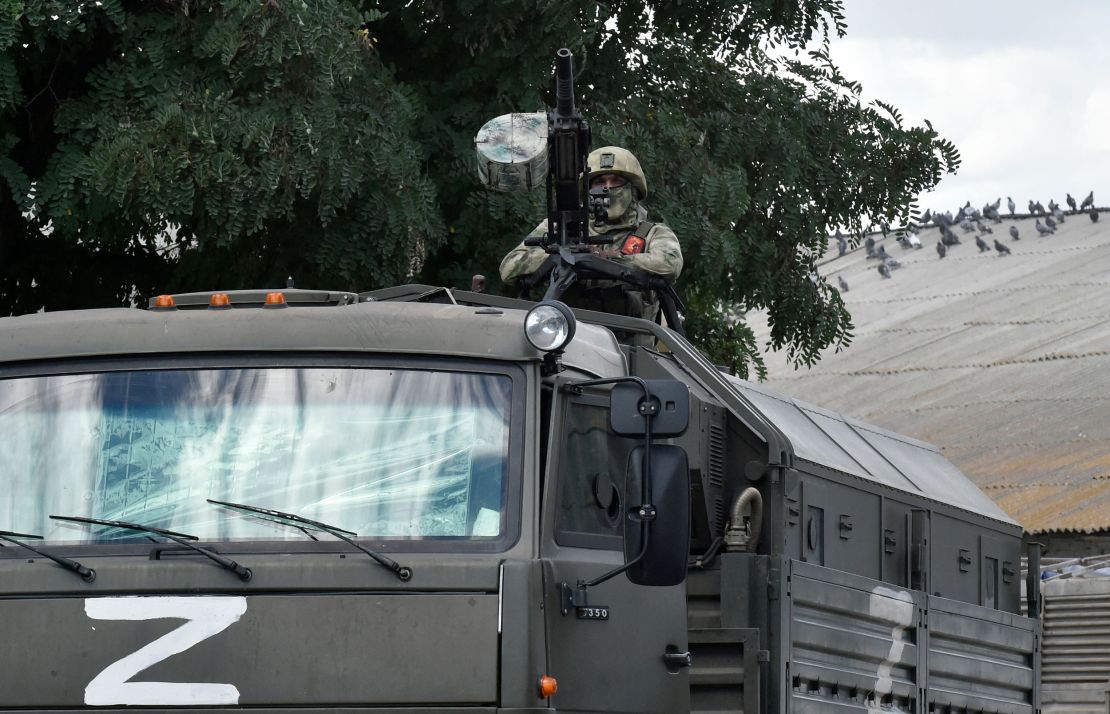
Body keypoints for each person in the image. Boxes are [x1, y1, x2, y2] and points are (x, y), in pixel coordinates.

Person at [499, 146, 682, 323]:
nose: (607, 189)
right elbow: (509, 268)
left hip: (629, 346)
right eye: (600, 182)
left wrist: (607, 259)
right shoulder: (564, 227)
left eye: (616, 181)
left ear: (633, 190)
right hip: (568, 339)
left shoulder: (652, 233)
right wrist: (561, 253)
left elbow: (669, 264)